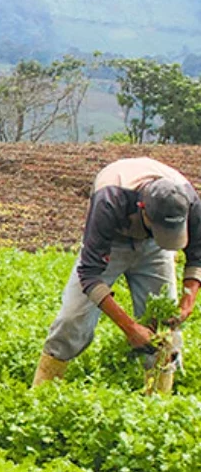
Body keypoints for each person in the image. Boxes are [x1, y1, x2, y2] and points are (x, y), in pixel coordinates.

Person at [34, 157, 201, 393]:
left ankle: (160, 405)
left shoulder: (187, 200)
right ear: (143, 209)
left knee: (166, 331)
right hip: (113, 243)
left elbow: (198, 255)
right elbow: (90, 274)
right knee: (72, 319)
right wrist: (130, 328)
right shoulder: (110, 199)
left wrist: (188, 301)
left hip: (155, 250)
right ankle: (42, 392)